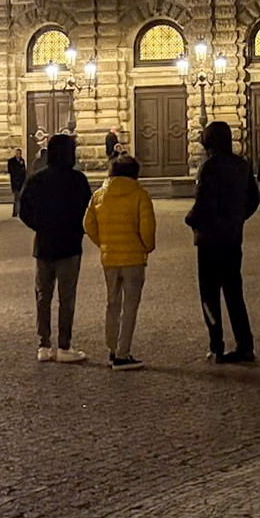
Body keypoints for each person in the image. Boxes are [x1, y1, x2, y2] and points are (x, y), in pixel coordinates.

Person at [185, 120, 260, 363]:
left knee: (209, 295)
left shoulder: (209, 167)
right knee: (234, 292)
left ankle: (216, 345)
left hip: (209, 240)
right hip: (232, 238)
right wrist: (237, 219)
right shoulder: (242, 165)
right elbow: (254, 199)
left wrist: (190, 219)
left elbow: (203, 203)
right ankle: (244, 343)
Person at [18, 132, 92, 362]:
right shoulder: (78, 180)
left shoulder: (37, 179)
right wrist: (78, 229)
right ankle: (64, 345)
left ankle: (44, 345)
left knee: (43, 296)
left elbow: (24, 210)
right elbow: (88, 212)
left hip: (44, 245)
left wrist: (41, 226)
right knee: (66, 297)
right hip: (69, 246)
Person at [83, 152, 156, 367]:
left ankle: (112, 349)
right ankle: (124, 353)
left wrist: (103, 244)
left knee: (112, 303)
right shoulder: (140, 195)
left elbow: (88, 225)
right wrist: (145, 248)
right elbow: (148, 229)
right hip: (133, 259)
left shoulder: (99, 195)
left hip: (110, 258)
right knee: (130, 305)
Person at [7, 150, 28, 216]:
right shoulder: (11, 161)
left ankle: (18, 211)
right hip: (15, 181)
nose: (18, 154)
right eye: (17, 153)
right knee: (16, 197)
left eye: (19, 153)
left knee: (19, 197)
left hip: (21, 181)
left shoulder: (22, 161)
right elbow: (10, 170)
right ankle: (15, 212)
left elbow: (24, 170)